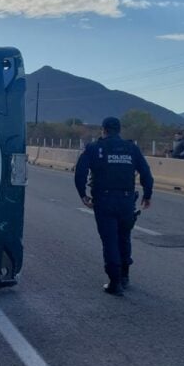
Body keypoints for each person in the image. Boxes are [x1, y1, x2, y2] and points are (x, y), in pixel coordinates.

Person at [74, 117, 153, 296]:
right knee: (124, 238)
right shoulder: (131, 148)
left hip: (104, 201)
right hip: (126, 201)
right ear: (119, 130)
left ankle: (114, 282)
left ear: (103, 130)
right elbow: (146, 173)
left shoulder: (94, 148)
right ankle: (125, 276)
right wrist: (148, 195)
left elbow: (80, 173)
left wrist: (83, 195)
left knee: (109, 240)